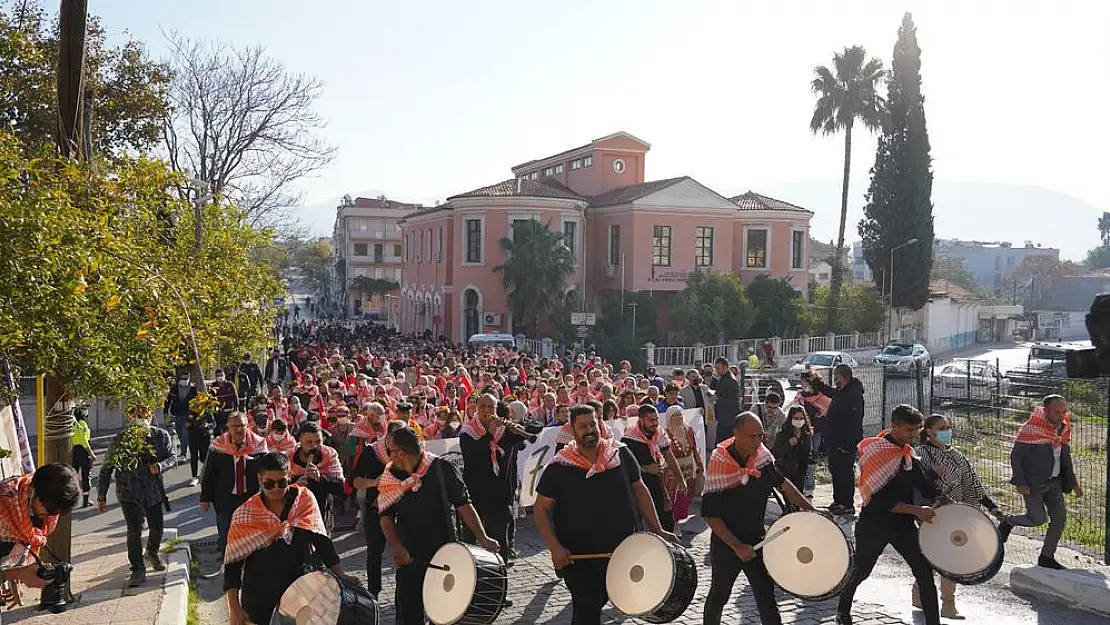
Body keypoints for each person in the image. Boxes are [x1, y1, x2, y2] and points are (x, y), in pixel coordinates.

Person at [535, 405, 679, 625]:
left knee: (601, 600)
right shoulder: (559, 466)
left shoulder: (620, 453)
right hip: (578, 558)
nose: (589, 430)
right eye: (582, 426)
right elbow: (541, 508)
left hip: (622, 552)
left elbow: (640, 490)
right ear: (572, 431)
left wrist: (657, 528)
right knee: (587, 611)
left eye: (593, 424)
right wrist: (555, 547)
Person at [378, 426, 500, 625]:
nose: (387, 455)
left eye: (389, 450)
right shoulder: (391, 476)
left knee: (444, 616)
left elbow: (464, 504)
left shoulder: (442, 468)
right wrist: (395, 546)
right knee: (408, 617)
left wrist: (483, 537)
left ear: (401, 453)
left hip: (445, 555)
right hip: (410, 558)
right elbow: (386, 514)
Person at [702, 412, 814, 625]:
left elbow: (783, 484)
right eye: (752, 437)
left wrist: (810, 508)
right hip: (727, 544)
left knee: (766, 597)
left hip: (758, 540)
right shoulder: (719, 462)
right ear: (736, 434)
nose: (758, 442)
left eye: (760, 436)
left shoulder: (763, 457)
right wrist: (737, 547)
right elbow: (711, 516)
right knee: (719, 595)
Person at [835, 405, 939, 625]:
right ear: (894, 426)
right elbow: (879, 502)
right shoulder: (877, 453)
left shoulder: (909, 455)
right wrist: (917, 511)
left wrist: (942, 491)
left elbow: (925, 487)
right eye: (909, 430)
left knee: (924, 573)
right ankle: (842, 611)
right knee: (861, 571)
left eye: (917, 430)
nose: (914, 435)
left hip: (903, 527)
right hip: (874, 525)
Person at [223, 452, 354, 625]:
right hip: (260, 597)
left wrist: (340, 574)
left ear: (290, 476)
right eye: (269, 483)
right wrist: (235, 610)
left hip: (303, 591)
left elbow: (321, 541)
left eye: (282, 482)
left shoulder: (304, 500)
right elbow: (232, 564)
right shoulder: (244, 514)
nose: (276, 488)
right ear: (259, 479)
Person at [915, 414, 1003, 619]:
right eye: (942, 427)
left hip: (957, 515)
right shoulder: (921, 454)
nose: (947, 430)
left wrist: (992, 508)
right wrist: (933, 474)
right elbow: (917, 481)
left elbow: (974, 485)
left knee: (946, 557)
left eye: (948, 426)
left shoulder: (958, 457)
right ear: (929, 432)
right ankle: (936, 600)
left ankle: (937, 600)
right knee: (937, 557)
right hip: (932, 514)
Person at [998, 394, 1082, 570]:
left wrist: (1073, 483)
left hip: (1055, 483)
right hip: (1033, 484)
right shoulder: (1031, 429)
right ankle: (1008, 521)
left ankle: (1046, 557)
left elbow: (1065, 458)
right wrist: (1020, 482)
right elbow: (1016, 456)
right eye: (1057, 412)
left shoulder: (1063, 429)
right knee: (1037, 519)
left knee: (1059, 519)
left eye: (1063, 412)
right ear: (1045, 411)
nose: (1061, 416)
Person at [97, 407, 176, 587]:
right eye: (136, 416)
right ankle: (137, 568)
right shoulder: (121, 440)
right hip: (128, 491)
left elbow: (172, 458)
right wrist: (101, 496)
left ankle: (152, 552)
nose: (140, 419)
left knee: (157, 527)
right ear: (129, 418)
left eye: (144, 415)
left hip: (153, 490)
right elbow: (106, 469)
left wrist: (161, 466)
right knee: (134, 529)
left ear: (150, 416)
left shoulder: (161, 436)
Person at [459, 394, 529, 563]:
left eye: (491, 407)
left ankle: (499, 568)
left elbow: (530, 434)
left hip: (498, 492)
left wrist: (515, 425)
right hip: (475, 491)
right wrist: (489, 433)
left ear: (496, 410)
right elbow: (474, 455)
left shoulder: (502, 430)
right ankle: (467, 568)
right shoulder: (467, 432)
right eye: (483, 407)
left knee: (499, 533)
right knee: (470, 534)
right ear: (476, 408)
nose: (487, 411)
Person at [0, 464, 81, 607]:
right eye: (49, 509)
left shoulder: (30, 509)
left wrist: (13, 576)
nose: (50, 516)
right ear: (32, 491)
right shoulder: (4, 503)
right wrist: (16, 574)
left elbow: (22, 539)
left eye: (56, 512)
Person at [200, 412, 269, 557]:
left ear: (247, 426)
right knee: (226, 532)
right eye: (234, 426)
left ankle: (249, 562)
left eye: (241, 426)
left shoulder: (258, 444)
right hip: (224, 497)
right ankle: (229, 562)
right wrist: (204, 498)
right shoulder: (218, 445)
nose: (238, 430)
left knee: (250, 533)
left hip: (249, 497)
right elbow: (209, 474)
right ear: (228, 427)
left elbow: (266, 472)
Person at [350, 420, 406, 597]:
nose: (399, 446)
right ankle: (373, 592)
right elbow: (354, 480)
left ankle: (404, 591)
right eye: (395, 440)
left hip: (404, 509)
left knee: (406, 550)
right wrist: (374, 482)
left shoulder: (411, 452)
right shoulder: (372, 452)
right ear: (387, 438)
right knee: (375, 551)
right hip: (377, 508)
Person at [802, 365, 864, 516]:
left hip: (845, 444)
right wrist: (815, 382)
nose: (835, 380)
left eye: (836, 376)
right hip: (835, 442)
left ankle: (847, 504)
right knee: (836, 472)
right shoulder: (842, 392)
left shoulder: (854, 396)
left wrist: (848, 445)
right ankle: (838, 501)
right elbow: (830, 391)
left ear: (842, 377)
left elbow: (854, 423)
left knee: (845, 474)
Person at [621, 405, 687, 532]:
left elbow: (668, 455)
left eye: (656, 419)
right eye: (651, 420)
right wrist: (644, 469)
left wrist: (681, 479)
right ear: (640, 420)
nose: (655, 423)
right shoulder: (628, 439)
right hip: (637, 486)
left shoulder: (659, 432)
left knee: (666, 521)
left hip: (657, 484)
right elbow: (625, 468)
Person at [290, 422, 346, 531]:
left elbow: (340, 487)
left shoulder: (329, 454)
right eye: (309, 442)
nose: (314, 446)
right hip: (296, 510)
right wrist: (295, 484)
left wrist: (321, 479)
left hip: (322, 510)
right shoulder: (289, 456)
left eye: (318, 442)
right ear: (300, 440)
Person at [662, 405, 702, 523]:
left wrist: (698, 464)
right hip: (674, 470)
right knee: (675, 496)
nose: (678, 418)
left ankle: (678, 520)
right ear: (669, 418)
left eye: (680, 415)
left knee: (686, 495)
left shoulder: (688, 430)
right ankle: (674, 522)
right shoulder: (666, 433)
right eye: (675, 416)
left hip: (688, 468)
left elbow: (693, 447)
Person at [771, 405, 812, 498]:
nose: (799, 421)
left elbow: (807, 452)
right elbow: (776, 452)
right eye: (796, 418)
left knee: (798, 496)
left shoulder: (806, 435)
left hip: (801, 471)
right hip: (787, 470)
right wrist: (788, 445)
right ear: (791, 418)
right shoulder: (782, 434)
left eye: (801, 418)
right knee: (789, 497)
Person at [163, 371, 198, 458]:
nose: (183, 380)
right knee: (179, 433)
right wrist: (165, 412)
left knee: (184, 433)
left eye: (185, 378)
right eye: (182, 378)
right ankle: (185, 445)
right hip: (177, 414)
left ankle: (183, 453)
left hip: (188, 414)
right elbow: (168, 401)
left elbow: (196, 403)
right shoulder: (174, 388)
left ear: (189, 379)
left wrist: (193, 415)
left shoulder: (193, 389)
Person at [711, 357, 740, 444]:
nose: (717, 371)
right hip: (723, 417)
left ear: (726, 367)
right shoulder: (723, 379)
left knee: (724, 443)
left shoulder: (730, 380)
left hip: (728, 419)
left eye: (719, 368)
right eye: (716, 368)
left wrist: (717, 399)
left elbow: (734, 401)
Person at [71, 408, 95, 508]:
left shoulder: (73, 424)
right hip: (84, 452)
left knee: (73, 476)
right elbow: (84, 441)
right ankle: (86, 500)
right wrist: (92, 454)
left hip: (74, 451)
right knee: (86, 476)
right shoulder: (83, 424)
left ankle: (71, 500)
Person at [211, 369, 238, 435]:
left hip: (229, 412)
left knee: (229, 431)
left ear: (224, 375)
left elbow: (235, 397)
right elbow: (210, 398)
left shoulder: (230, 384)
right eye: (218, 375)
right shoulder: (213, 385)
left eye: (221, 375)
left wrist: (236, 410)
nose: (220, 377)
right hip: (218, 413)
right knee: (217, 431)